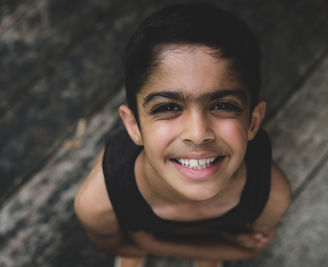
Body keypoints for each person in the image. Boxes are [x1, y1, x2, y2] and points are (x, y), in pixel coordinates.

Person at [74, 3, 291, 267]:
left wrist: (150, 243)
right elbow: (108, 243)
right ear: (133, 127)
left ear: (253, 122)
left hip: (149, 236)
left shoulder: (271, 195)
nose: (198, 134)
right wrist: (219, 248)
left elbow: (253, 249)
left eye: (223, 106)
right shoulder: (99, 204)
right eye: (167, 107)